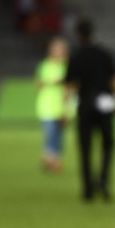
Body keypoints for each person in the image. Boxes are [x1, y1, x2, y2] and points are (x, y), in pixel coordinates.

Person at [64, 17, 115, 202]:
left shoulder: (77, 55)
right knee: (108, 145)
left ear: (78, 35)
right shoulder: (105, 54)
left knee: (85, 148)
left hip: (85, 105)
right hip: (104, 106)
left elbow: (71, 85)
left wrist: (64, 109)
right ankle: (103, 182)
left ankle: (88, 189)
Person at [35, 36, 69, 172]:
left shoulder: (67, 66)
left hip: (63, 106)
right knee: (51, 133)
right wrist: (57, 82)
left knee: (59, 136)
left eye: (60, 50)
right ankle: (51, 159)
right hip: (47, 106)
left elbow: (71, 86)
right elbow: (39, 83)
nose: (58, 52)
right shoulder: (45, 65)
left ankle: (52, 159)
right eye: (55, 49)